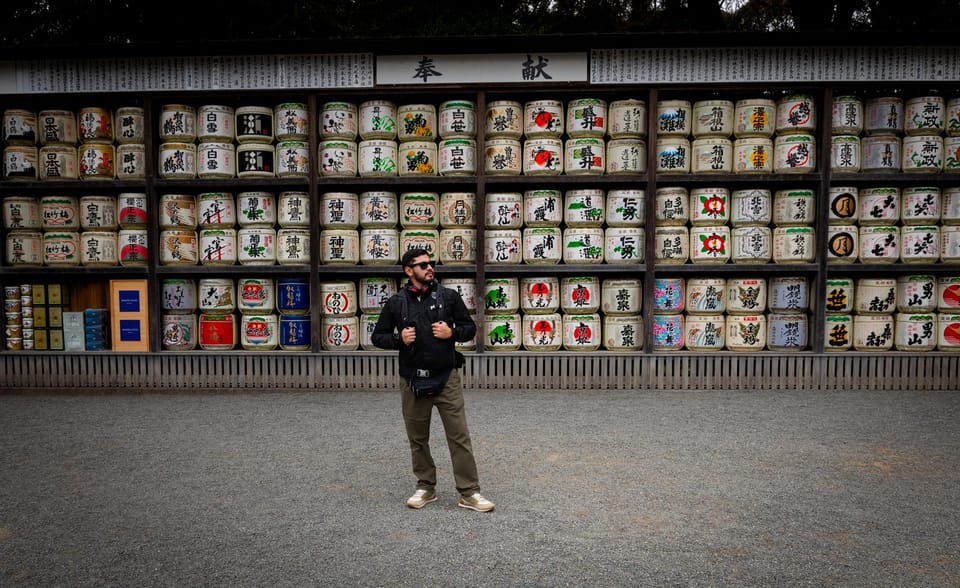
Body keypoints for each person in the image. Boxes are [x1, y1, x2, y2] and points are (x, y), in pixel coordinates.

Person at [372, 248, 495, 512]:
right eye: (423, 264)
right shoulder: (397, 302)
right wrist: (398, 339)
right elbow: (377, 336)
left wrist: (451, 333)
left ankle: (469, 492)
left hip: (446, 377)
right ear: (409, 270)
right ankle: (426, 486)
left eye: (431, 263)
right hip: (412, 380)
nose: (430, 268)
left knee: (459, 436)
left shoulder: (449, 297)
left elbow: (469, 328)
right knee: (418, 437)